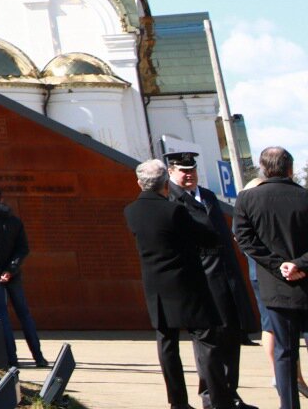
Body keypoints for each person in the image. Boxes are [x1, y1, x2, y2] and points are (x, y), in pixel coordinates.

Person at [126, 157, 234, 409]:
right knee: (206, 342)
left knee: (167, 343)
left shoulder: (130, 211)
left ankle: (177, 402)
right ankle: (219, 401)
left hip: (156, 287)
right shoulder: (175, 210)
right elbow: (207, 238)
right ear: (166, 183)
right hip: (188, 284)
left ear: (139, 182)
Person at [170, 151, 253, 407]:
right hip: (201, 282)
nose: (189, 176)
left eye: (192, 170)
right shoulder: (172, 201)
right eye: (183, 171)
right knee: (208, 344)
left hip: (225, 278)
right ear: (171, 171)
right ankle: (212, 398)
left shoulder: (206, 196)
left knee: (230, 338)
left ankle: (230, 394)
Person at [233, 147, 308, 409]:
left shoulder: (247, 199)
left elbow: (244, 240)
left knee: (284, 353)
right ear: (290, 168)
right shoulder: (304, 196)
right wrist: (299, 265)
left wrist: (280, 267)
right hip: (306, 282)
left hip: (276, 288)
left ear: (263, 169)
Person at [0, 183, 49, 369]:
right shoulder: (14, 220)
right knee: (24, 314)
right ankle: (38, 356)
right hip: (13, 275)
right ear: (2, 198)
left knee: (2, 315)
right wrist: (10, 270)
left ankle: (12, 359)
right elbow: (23, 248)